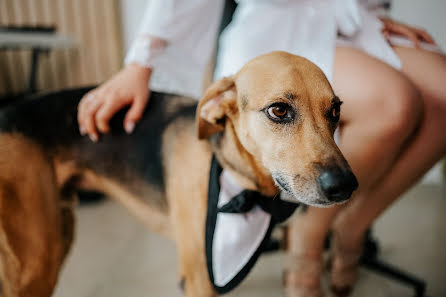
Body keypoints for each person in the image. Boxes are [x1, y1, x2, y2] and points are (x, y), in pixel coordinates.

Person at [77, 0, 446, 296]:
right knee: (396, 104)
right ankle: (310, 235)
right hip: (277, 23)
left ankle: (352, 227)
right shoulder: (228, 100)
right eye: (280, 113)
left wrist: (371, 12)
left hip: (351, 18)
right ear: (215, 109)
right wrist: (141, 62)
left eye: (332, 113)